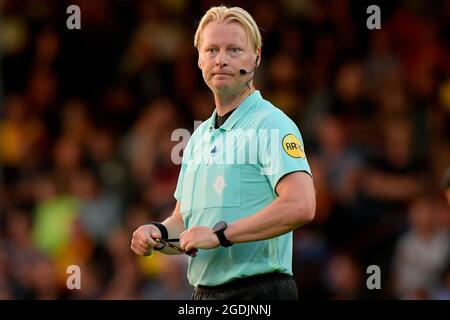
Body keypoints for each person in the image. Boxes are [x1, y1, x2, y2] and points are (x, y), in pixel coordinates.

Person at [130, 5, 316, 300]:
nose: (221, 60)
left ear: (256, 56)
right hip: (204, 294)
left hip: (259, 291)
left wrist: (220, 235)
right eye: (212, 50)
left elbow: (302, 204)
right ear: (199, 60)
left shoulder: (272, 124)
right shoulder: (198, 138)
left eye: (234, 50)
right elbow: (184, 222)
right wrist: (158, 233)